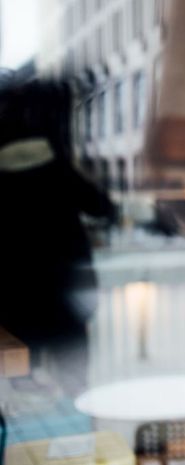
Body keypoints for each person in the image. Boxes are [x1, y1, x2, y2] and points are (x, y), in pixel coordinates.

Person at [0, 76, 116, 393]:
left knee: (22, 381)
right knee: (77, 378)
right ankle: (77, 428)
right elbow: (103, 207)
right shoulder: (57, 167)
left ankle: (30, 433)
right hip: (67, 290)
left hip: (16, 295)